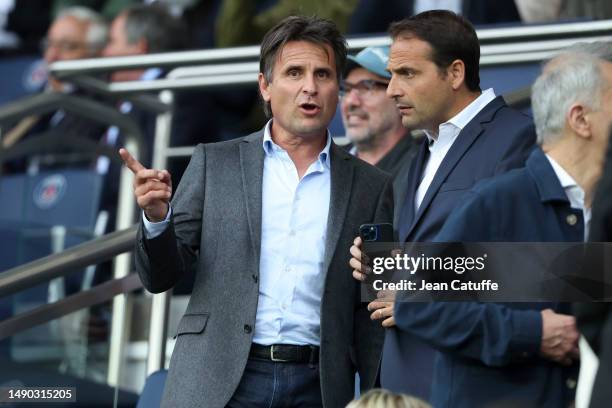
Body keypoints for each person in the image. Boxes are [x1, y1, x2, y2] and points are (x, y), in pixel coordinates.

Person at [122, 15, 393, 408]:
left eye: (323, 74)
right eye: (294, 72)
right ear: (265, 86)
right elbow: (159, 276)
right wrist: (156, 219)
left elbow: (371, 306)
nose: (309, 87)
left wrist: (374, 393)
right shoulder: (216, 163)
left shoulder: (372, 185)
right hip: (218, 377)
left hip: (318, 385)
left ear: (336, 88)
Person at [390, 49, 612, 407]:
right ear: (581, 119)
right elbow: (420, 304)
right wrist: (532, 333)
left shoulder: (599, 210)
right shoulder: (498, 204)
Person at [349, 10, 536, 400]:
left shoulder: (518, 139)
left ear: (454, 73)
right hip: (405, 383)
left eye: (408, 74)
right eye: (392, 74)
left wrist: (413, 292)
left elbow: (532, 267)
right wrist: (378, 264)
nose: (392, 90)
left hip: (468, 381)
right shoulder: (422, 149)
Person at [341, 45, 418, 179]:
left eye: (366, 87)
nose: (351, 102)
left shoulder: (422, 169)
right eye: (347, 89)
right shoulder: (326, 163)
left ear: (400, 96)